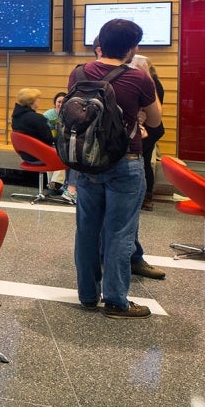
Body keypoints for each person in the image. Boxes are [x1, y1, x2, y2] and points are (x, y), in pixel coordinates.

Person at [73, 19, 162, 319]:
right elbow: (154, 121)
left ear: (101, 41)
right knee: (119, 233)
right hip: (125, 162)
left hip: (87, 162)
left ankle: (87, 295)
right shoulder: (139, 78)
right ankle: (115, 301)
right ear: (132, 47)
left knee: (86, 229)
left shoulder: (79, 72)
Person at [131, 54, 166, 212]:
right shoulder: (152, 82)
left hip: (149, 129)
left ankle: (144, 196)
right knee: (144, 160)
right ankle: (146, 196)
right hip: (151, 128)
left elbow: (153, 109)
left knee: (142, 161)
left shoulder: (151, 83)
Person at [11, 88, 53, 161]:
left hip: (25, 155)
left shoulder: (15, 118)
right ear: (32, 102)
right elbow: (49, 140)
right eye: (37, 98)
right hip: (40, 156)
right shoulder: (38, 118)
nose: (39, 100)